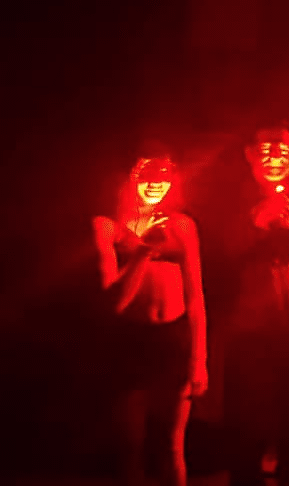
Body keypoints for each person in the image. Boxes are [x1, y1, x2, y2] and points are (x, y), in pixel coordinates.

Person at [93, 146, 207, 486]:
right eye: (147, 174)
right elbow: (115, 301)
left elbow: (195, 296)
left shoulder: (183, 225)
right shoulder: (107, 226)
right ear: (128, 177)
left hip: (173, 339)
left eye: (165, 174)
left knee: (172, 446)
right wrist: (143, 250)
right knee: (130, 446)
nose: (156, 182)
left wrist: (200, 357)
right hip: (129, 343)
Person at [224, 124, 289, 486]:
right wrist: (255, 222)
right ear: (250, 153)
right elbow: (221, 254)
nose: (274, 157)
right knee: (248, 417)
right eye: (266, 150)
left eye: (282, 151)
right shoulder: (233, 196)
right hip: (249, 329)